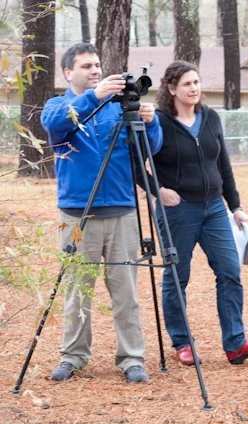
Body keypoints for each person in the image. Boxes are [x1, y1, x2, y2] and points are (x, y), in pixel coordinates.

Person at [40, 43, 163, 383]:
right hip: (78, 213)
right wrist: (94, 96)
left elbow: (149, 150)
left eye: (97, 65)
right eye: (86, 66)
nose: (95, 70)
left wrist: (150, 124)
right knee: (78, 289)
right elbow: (54, 125)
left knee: (126, 291)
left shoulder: (118, 108)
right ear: (68, 73)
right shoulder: (59, 106)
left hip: (122, 210)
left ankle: (132, 359)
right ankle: (73, 356)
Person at [138, 60, 248, 366]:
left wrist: (235, 206)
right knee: (177, 276)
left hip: (214, 208)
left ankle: (236, 344)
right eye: (186, 83)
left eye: (196, 82)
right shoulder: (157, 121)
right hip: (177, 211)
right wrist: (157, 190)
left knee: (230, 271)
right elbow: (135, 161)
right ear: (171, 88)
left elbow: (222, 164)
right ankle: (182, 342)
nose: (194, 88)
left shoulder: (210, 118)